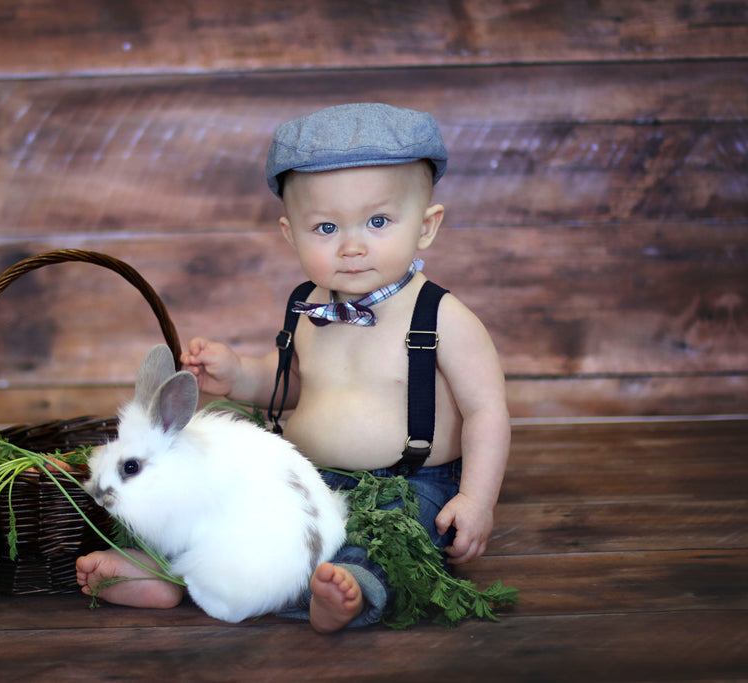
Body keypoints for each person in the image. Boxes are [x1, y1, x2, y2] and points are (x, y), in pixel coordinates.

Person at [76, 103, 511, 633]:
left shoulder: (443, 316)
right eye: (326, 227)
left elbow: (486, 411)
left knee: (390, 538)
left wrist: (476, 499)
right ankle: (167, 569)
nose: (352, 246)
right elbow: (296, 385)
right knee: (205, 501)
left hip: (407, 482)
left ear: (426, 226)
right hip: (305, 475)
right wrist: (240, 377)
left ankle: (347, 591)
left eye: (378, 222)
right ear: (290, 235)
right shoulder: (308, 307)